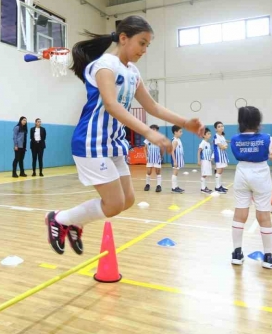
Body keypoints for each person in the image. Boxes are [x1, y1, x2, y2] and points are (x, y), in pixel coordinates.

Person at [44, 15, 204, 256]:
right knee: (114, 202)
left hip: (114, 144)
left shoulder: (133, 72)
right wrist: (150, 133)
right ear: (123, 38)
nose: (145, 49)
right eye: (142, 43)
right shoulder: (104, 65)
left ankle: (74, 221)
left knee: (127, 200)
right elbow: (111, 105)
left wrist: (184, 122)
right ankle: (59, 219)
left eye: (148, 45)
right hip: (91, 142)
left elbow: (153, 107)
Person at [230, 106, 272, 269]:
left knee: (239, 213)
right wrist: (270, 153)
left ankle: (236, 254)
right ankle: (268, 256)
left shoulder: (234, 139)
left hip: (241, 174)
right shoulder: (266, 138)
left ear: (240, 121)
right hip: (260, 174)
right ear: (258, 121)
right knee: (263, 215)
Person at [144, 124, 163, 192]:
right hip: (150, 158)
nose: (153, 130)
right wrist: (146, 156)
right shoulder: (147, 138)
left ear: (157, 131)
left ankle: (158, 186)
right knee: (148, 172)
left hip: (157, 158)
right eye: (152, 129)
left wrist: (161, 156)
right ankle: (147, 184)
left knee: (158, 172)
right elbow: (145, 148)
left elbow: (162, 149)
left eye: (155, 129)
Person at [213, 121, 229, 194]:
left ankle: (220, 186)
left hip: (223, 156)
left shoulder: (222, 136)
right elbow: (222, 147)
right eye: (219, 126)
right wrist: (224, 146)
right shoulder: (216, 136)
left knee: (221, 171)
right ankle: (217, 187)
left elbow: (225, 146)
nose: (221, 127)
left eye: (222, 126)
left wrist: (224, 146)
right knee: (218, 171)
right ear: (216, 129)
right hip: (219, 156)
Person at [198, 128, 214, 194]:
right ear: (204, 135)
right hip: (204, 161)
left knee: (206, 174)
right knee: (204, 174)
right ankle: (203, 188)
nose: (210, 135)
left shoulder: (208, 143)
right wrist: (198, 160)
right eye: (208, 134)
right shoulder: (203, 143)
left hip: (208, 161)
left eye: (210, 133)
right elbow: (199, 151)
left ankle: (204, 187)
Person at [171, 125, 185, 193]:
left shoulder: (178, 140)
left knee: (176, 173)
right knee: (175, 172)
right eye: (180, 131)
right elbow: (172, 151)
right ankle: (174, 187)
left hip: (179, 159)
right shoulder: (175, 141)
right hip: (176, 159)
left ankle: (176, 186)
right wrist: (175, 161)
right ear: (175, 132)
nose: (181, 133)